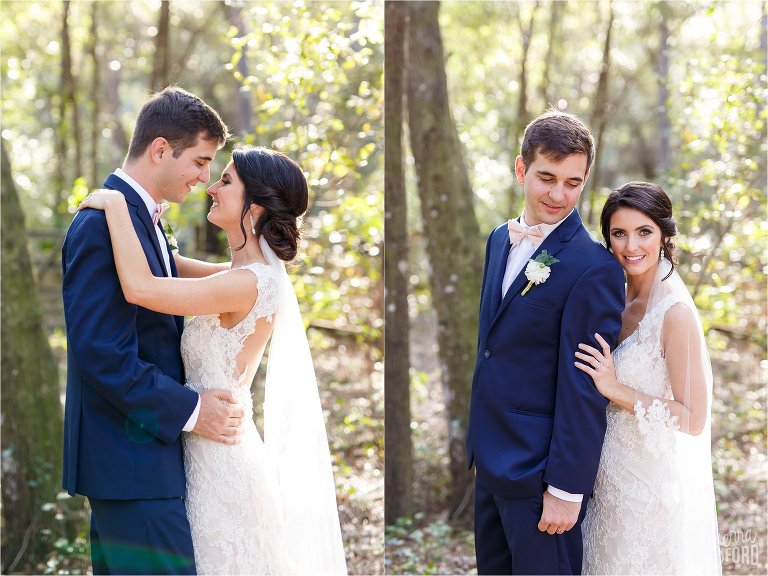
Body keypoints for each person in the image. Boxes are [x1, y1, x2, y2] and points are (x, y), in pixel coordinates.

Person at [78, 146, 347, 575]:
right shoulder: (239, 275)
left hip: (221, 462)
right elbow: (173, 264)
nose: (211, 189)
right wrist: (147, 215)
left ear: (254, 207)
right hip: (200, 447)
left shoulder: (246, 284)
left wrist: (114, 205)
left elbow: (143, 288)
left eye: (226, 181)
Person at [62, 86, 240, 575]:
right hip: (131, 463)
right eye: (201, 162)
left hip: (141, 465)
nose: (205, 178)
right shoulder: (102, 222)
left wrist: (256, 276)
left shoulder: (141, 217)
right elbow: (102, 353)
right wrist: (192, 410)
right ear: (161, 149)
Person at [465, 110, 625, 574]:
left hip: (539, 475)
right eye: (547, 178)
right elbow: (492, 347)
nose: (559, 195)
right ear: (521, 169)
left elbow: (584, 388)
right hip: (490, 461)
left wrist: (566, 489)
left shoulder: (594, 268)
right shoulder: (499, 239)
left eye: (573, 183)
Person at [576, 181, 721, 574]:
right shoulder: (613, 299)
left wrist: (615, 388)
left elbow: (692, 419)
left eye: (644, 232)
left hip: (645, 497)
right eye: (619, 233)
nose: (630, 246)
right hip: (601, 490)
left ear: (664, 235)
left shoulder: (674, 314)